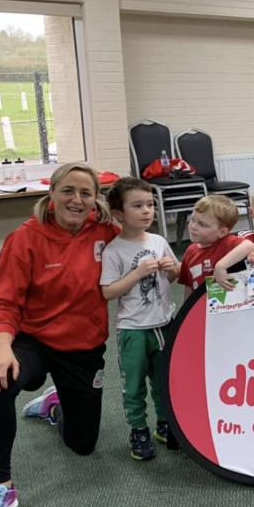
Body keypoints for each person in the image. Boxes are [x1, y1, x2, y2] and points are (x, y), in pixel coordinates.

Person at [0, 162, 120, 507]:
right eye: (68, 191)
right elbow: (3, 301)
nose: (76, 199)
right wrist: (2, 348)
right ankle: (1, 488)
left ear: (95, 201)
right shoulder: (24, 239)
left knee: (83, 444)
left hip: (83, 346)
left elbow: (143, 235)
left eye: (86, 193)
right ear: (51, 194)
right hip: (33, 340)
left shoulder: (107, 231)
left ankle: (55, 404)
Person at [100, 178, 179, 461]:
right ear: (119, 215)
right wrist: (136, 274)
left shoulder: (158, 241)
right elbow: (108, 291)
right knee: (133, 385)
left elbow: (174, 276)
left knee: (163, 381)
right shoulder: (113, 250)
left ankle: (163, 423)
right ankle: (138, 430)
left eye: (150, 205)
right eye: (137, 206)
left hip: (163, 324)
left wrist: (172, 267)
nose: (147, 211)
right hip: (133, 330)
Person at [178, 195, 244, 300]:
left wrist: (220, 266)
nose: (193, 226)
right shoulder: (190, 251)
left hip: (228, 304)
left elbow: (249, 245)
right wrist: (187, 312)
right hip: (201, 306)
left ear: (222, 232)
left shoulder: (227, 242)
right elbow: (188, 285)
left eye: (202, 224)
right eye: (192, 219)